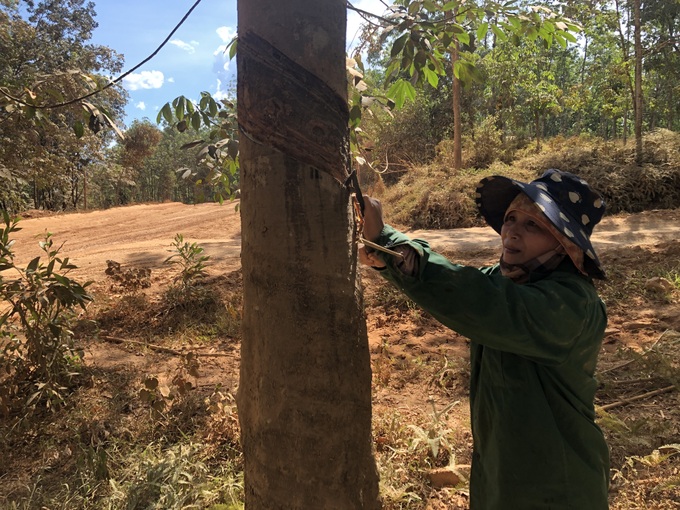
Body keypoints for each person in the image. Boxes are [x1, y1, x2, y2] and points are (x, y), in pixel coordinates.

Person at [359, 169, 610, 509]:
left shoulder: (571, 305)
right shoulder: (510, 279)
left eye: (532, 225)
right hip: (500, 472)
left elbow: (479, 300)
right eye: (510, 218)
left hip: (557, 482)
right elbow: (464, 284)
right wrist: (391, 259)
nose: (512, 232)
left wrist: (389, 243)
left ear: (564, 244)